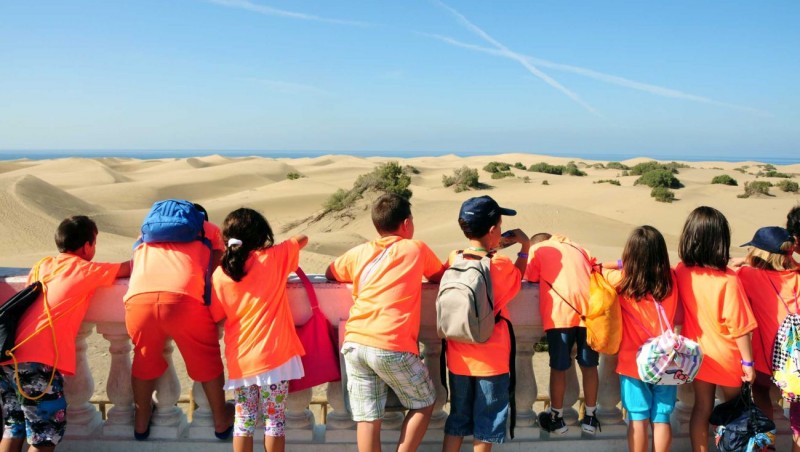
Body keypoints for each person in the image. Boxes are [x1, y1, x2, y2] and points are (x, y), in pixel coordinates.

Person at [325, 193, 445, 452]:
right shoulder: (416, 248)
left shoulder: (360, 252)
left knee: (368, 418)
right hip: (392, 344)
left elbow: (330, 272)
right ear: (405, 224)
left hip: (355, 343)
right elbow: (440, 276)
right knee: (424, 402)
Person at [0, 216, 131, 452]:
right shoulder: (85, 268)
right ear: (87, 246)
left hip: (10, 355)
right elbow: (128, 268)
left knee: (14, 427)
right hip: (38, 362)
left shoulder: (43, 265)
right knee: (44, 437)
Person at [124, 203, 233, 441]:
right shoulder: (208, 228)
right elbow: (218, 268)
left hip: (138, 300)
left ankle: (141, 424)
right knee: (207, 359)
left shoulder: (146, 231)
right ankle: (221, 421)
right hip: (184, 301)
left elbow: (134, 263)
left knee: (143, 358)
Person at [209, 208, 308, 452]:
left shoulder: (221, 273)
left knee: (243, 420)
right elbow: (302, 239)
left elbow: (216, 314)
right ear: (260, 235)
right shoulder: (273, 258)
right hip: (275, 356)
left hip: (241, 358)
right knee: (274, 420)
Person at [441, 196, 530, 451]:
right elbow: (518, 276)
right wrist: (524, 247)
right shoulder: (500, 265)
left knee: (457, 420)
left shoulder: (454, 258)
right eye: (499, 226)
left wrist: (493, 244)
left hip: (458, 359)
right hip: (492, 362)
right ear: (493, 231)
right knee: (487, 424)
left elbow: (476, 256)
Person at [675, 206, 756, 452]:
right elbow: (739, 327)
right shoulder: (729, 280)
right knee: (735, 412)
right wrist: (749, 364)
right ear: (721, 240)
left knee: (701, 408)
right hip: (727, 357)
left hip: (697, 355)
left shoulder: (681, 270)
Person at [602, 226, 678, 452]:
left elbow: (594, 268)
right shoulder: (672, 279)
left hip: (633, 361)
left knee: (638, 417)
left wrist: (621, 263)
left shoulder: (622, 281)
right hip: (667, 358)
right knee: (662, 417)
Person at [524, 233, 600, 435]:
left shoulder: (537, 249)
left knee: (559, 367)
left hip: (560, 314)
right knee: (590, 365)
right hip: (589, 313)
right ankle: (591, 418)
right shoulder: (578, 247)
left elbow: (529, 278)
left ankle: (556, 419)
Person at [737, 226, 799, 451]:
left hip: (767, 358)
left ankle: (766, 445)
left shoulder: (749, 276)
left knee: (761, 392)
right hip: (797, 360)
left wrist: (741, 261)